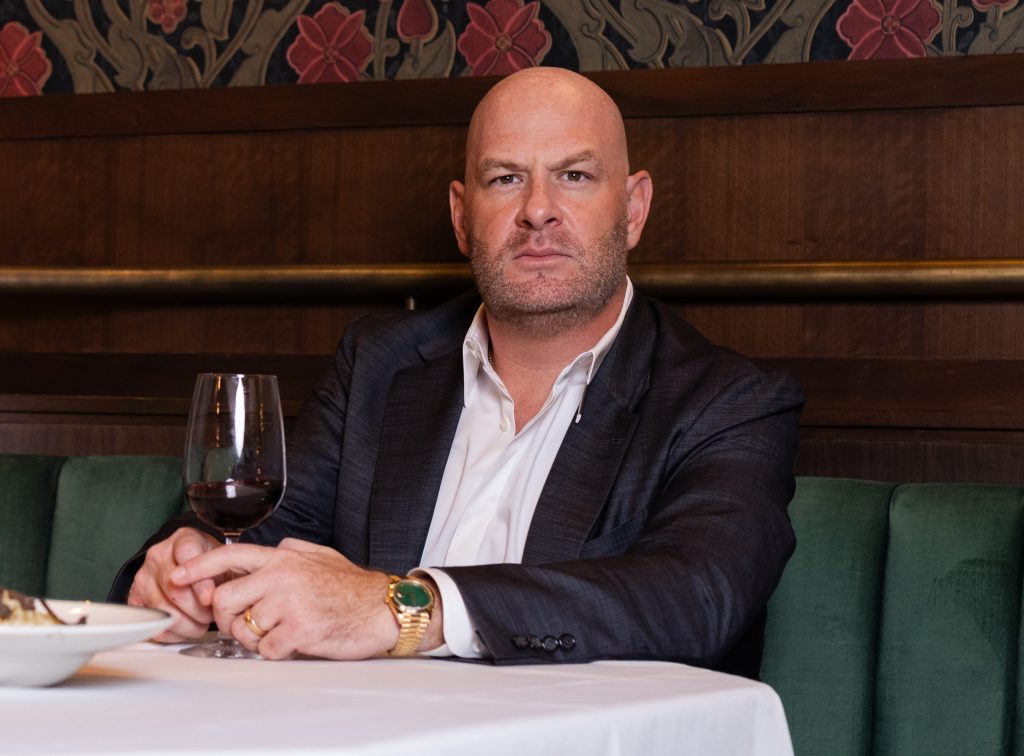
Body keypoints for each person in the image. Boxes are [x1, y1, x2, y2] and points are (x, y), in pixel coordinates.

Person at [111, 66, 803, 677]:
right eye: (505, 178)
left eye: (575, 175)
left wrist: (407, 606)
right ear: (461, 216)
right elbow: (265, 531)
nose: (538, 210)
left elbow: (696, 596)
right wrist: (190, 570)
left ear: (634, 209)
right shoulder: (379, 363)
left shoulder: (728, 402)